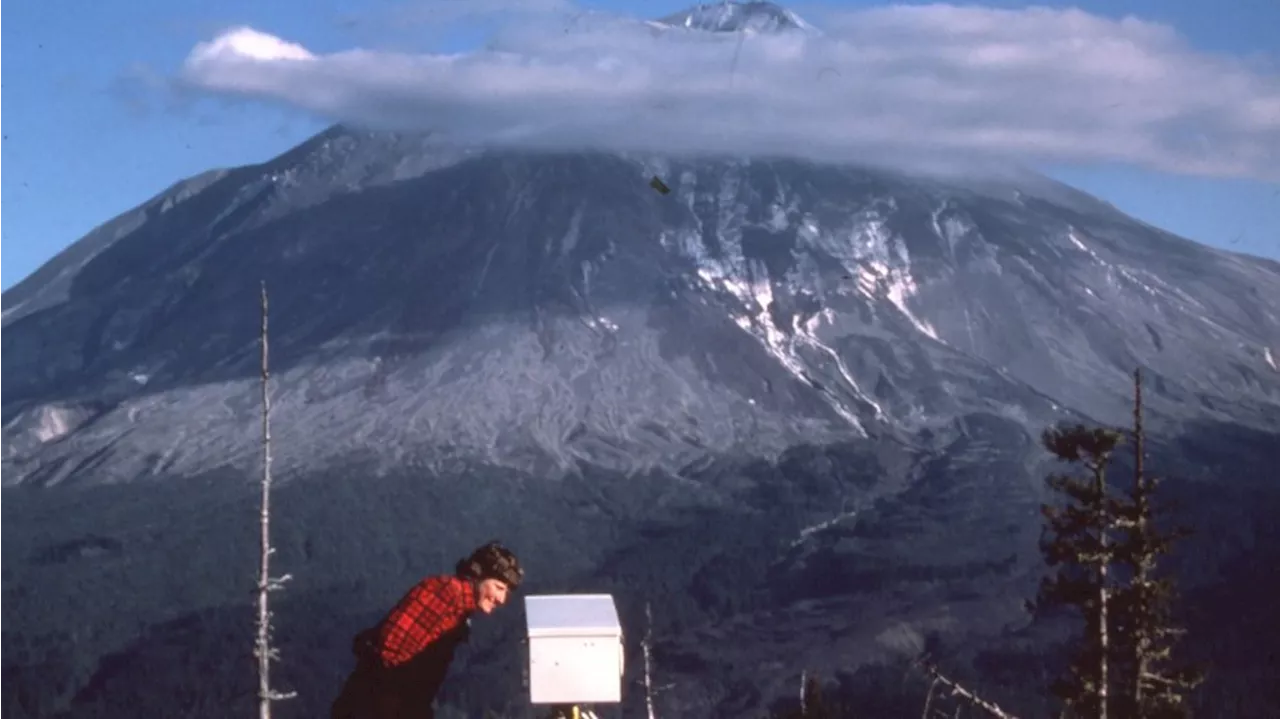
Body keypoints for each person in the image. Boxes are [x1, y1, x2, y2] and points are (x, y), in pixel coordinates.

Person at [331, 541, 524, 719]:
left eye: (506, 591)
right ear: (478, 575)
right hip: (375, 704)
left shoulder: (459, 607)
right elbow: (389, 649)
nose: (502, 599)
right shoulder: (445, 592)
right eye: (498, 587)